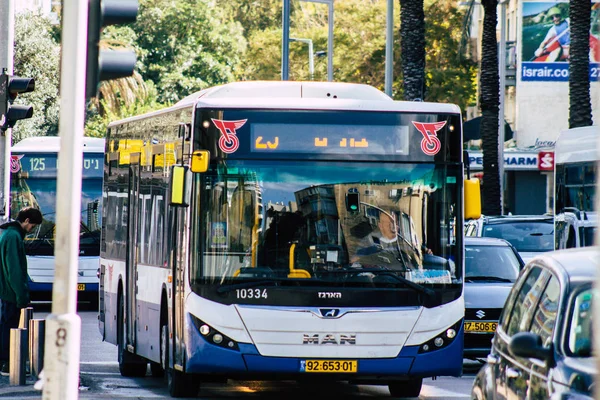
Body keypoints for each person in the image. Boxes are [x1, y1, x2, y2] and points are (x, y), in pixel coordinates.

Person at [0, 207, 42, 374]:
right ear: (26, 221)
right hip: (11, 293)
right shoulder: (14, 237)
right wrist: (21, 296)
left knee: (7, 326)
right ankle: (7, 363)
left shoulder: (9, 235)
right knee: (10, 328)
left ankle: (7, 362)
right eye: (33, 225)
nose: (32, 230)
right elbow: (15, 270)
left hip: (7, 291)